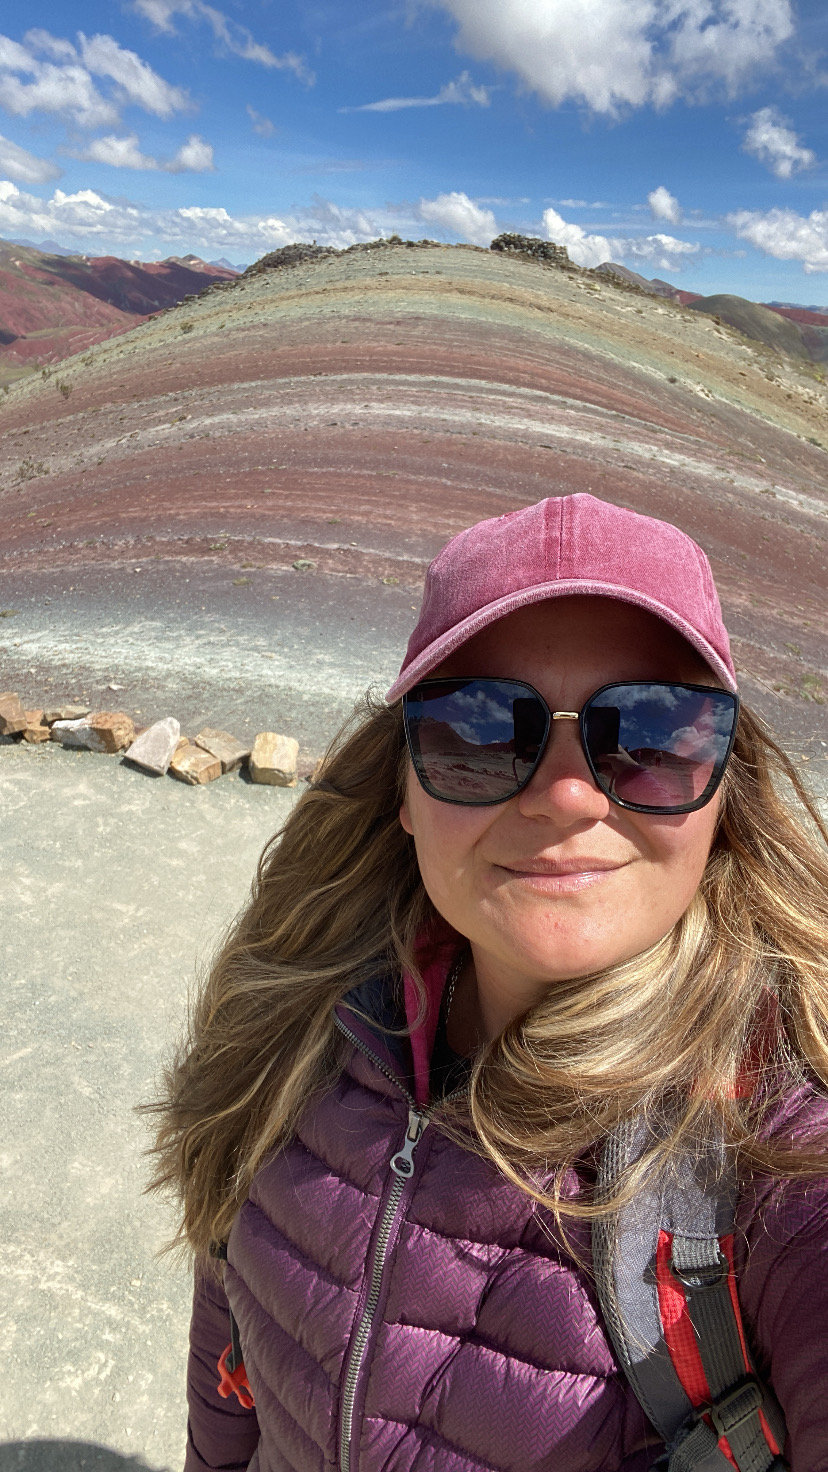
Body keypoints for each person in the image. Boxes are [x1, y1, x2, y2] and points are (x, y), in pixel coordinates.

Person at [147, 493, 828, 1471]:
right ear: (403, 790)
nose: (567, 795)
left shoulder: (774, 1149)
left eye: (651, 732)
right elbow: (231, 1326)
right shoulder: (296, 1016)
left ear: (724, 789)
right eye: (481, 731)